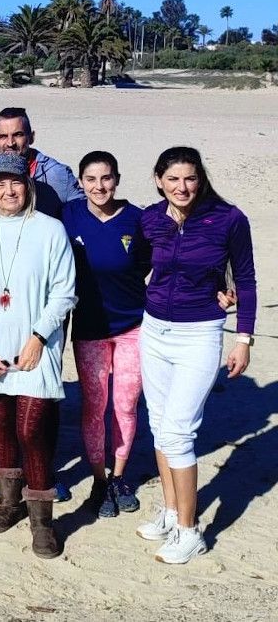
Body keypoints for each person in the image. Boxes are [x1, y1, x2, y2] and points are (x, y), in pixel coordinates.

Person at [134, 147, 256, 564]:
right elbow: (134, 266)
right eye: (173, 179)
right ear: (158, 179)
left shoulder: (228, 219)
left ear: (200, 179)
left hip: (199, 333)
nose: (182, 187)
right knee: (158, 424)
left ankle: (191, 532)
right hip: (154, 331)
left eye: (189, 179)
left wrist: (244, 338)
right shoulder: (150, 219)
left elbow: (246, 278)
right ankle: (171, 512)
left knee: (178, 432)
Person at [0, 154, 76, 559]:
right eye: (0, 184)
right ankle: (9, 503)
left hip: (35, 348)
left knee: (30, 429)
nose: (9, 191)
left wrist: (39, 337)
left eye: (16, 183)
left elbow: (64, 291)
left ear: (28, 186)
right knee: (2, 425)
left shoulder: (50, 230)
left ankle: (42, 520)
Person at [62, 151, 149, 519]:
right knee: (94, 406)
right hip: (89, 329)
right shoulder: (69, 215)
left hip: (133, 327)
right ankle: (99, 479)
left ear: (117, 178)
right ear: (81, 182)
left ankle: (119, 476)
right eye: (91, 179)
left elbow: (159, 264)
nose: (100, 186)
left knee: (125, 406)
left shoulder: (137, 219)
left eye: (106, 178)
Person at [0, 107, 83, 220]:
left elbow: (84, 214)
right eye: (3, 136)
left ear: (31, 137)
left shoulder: (56, 174)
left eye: (18, 134)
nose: (10, 143)